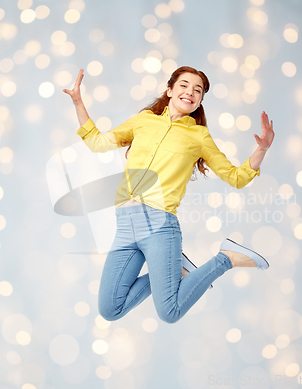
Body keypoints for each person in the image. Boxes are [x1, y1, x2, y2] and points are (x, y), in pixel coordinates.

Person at [63, 66, 275, 324]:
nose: (190, 92)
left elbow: (236, 177)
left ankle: (225, 259)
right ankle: (179, 268)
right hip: (125, 225)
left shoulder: (199, 136)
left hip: (159, 226)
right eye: (184, 85)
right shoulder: (143, 121)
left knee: (169, 311)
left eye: (198, 91)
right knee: (110, 308)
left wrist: (261, 149)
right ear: (170, 90)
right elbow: (97, 142)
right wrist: (78, 101)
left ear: (199, 102)